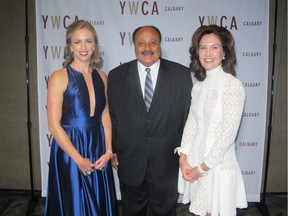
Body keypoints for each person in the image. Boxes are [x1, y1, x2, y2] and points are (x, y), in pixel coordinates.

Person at [107, 25, 192, 215]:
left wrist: (185, 155)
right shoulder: (116, 76)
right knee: (132, 211)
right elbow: (112, 116)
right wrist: (112, 148)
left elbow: (188, 118)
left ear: (160, 45)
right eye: (141, 43)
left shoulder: (181, 75)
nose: (147, 47)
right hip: (129, 162)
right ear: (134, 46)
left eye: (153, 42)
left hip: (167, 163)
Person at [45, 20, 117, 216]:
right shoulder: (59, 77)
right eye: (77, 42)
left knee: (99, 201)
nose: (83, 47)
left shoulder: (102, 76)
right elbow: (53, 125)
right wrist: (78, 159)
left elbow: (105, 115)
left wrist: (109, 150)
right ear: (70, 45)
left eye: (88, 41)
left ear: (95, 45)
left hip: (97, 148)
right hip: (71, 149)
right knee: (74, 204)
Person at [176, 25, 248, 216]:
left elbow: (227, 134)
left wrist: (201, 168)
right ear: (197, 52)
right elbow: (191, 125)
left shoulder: (232, 85)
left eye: (214, 47)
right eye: (202, 47)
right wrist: (183, 160)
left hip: (216, 164)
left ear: (225, 52)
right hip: (196, 160)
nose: (207, 53)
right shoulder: (199, 86)